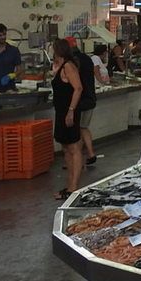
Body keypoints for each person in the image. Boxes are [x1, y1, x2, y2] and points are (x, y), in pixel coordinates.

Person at [51, 39, 85, 200]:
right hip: (61, 111)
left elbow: (78, 88)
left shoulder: (68, 66)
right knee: (65, 147)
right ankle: (69, 184)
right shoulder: (60, 66)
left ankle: (74, 187)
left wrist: (71, 111)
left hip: (68, 111)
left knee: (73, 147)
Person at [74, 45, 99, 167]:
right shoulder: (88, 58)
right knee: (84, 127)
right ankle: (90, 154)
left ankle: (76, 158)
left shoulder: (73, 61)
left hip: (80, 100)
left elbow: (76, 84)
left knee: (78, 129)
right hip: (90, 98)